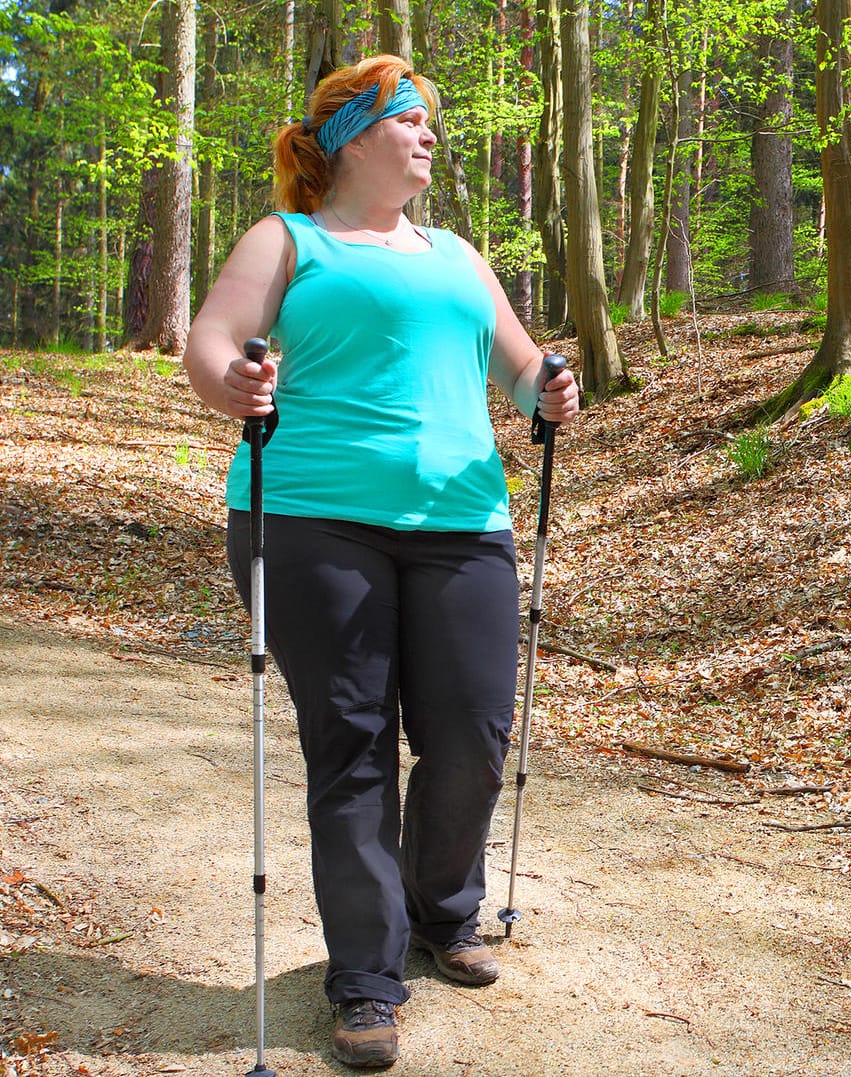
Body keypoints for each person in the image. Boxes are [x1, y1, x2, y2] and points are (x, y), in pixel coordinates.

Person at [183, 55, 579, 1069]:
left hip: (462, 518)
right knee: (353, 747)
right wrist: (233, 381)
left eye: (430, 120)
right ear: (356, 135)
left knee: (474, 731)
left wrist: (549, 387)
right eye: (410, 117)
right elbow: (214, 339)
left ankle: (444, 911)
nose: (429, 133)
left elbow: (522, 362)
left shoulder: (455, 253)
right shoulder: (290, 240)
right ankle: (366, 975)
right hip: (315, 519)